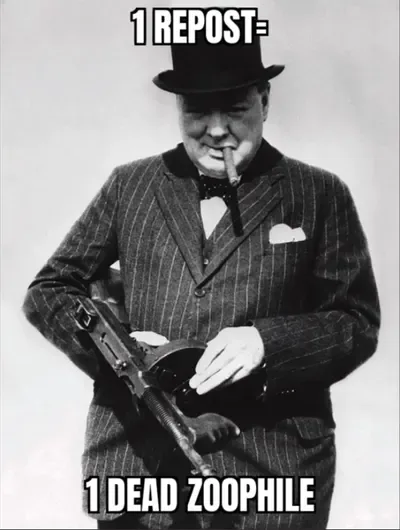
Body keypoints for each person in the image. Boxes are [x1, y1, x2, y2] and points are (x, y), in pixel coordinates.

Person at [22, 27, 380, 530]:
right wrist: (123, 354)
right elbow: (49, 291)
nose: (216, 130)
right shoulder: (130, 185)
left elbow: (356, 322)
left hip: (271, 473)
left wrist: (267, 343)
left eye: (234, 108)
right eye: (196, 110)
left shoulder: (320, 194)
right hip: (140, 472)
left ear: (265, 100)